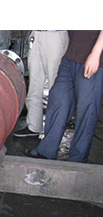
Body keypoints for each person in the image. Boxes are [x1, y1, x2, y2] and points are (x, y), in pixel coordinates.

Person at [24, 30, 103, 162]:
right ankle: (46, 150)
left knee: (86, 111)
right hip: (70, 55)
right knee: (58, 101)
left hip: (91, 59)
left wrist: (95, 54)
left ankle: (77, 158)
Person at [14, 30, 69, 137]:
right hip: (36, 34)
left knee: (55, 85)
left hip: (54, 34)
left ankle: (54, 130)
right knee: (34, 83)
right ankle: (33, 126)